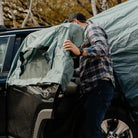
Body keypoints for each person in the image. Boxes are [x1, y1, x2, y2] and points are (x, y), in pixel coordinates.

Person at [63, 13, 115, 138]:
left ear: (75, 22)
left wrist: (80, 51)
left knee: (92, 130)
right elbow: (83, 70)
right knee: (86, 129)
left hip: (100, 86)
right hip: (92, 89)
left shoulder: (91, 28)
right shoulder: (83, 39)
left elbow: (102, 48)